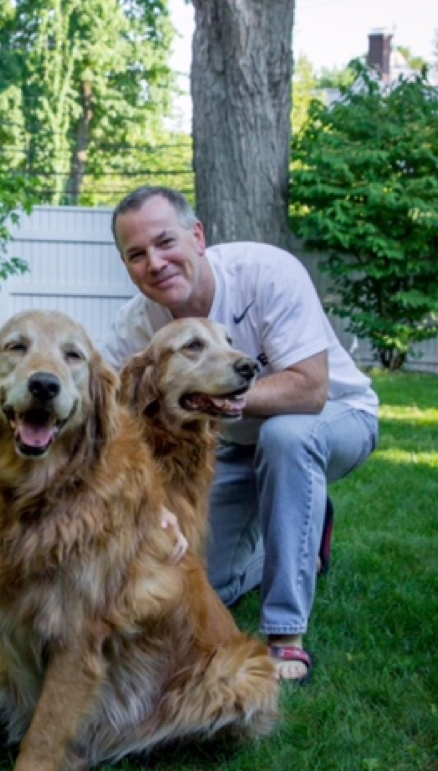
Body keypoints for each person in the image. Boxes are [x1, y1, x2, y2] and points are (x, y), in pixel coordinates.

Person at [103, 186, 379, 684]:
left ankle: (285, 635)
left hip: (335, 419)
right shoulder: (134, 329)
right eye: (137, 255)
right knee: (199, 584)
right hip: (230, 444)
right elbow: (111, 418)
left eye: (166, 242)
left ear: (197, 235)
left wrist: (216, 399)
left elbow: (311, 389)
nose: (156, 263)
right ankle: (300, 535)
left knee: (287, 438)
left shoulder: (266, 273)